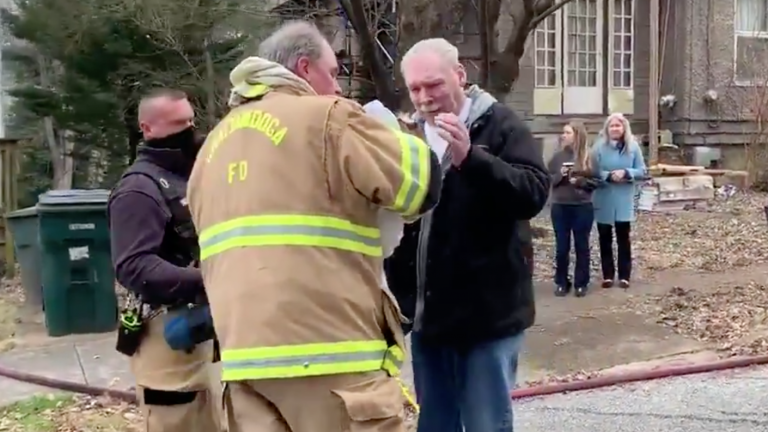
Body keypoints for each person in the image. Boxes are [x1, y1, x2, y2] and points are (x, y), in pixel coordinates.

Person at [186, 21, 442, 432]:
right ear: (304, 69)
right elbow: (421, 185)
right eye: (333, 73)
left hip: (244, 364)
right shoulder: (329, 118)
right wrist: (396, 128)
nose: (338, 88)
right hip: (334, 359)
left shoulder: (212, 147)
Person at [384, 38, 550, 432]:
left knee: (484, 424)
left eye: (434, 85)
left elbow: (533, 193)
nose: (425, 97)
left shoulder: (501, 124)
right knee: (436, 424)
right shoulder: (407, 138)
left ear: (459, 76)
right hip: (429, 320)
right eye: (415, 89)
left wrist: (471, 159)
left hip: (487, 319)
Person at [108, 89, 222, 432]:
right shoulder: (138, 190)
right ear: (148, 128)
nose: (188, 130)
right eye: (177, 124)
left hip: (199, 331)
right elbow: (134, 265)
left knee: (210, 418)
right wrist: (209, 279)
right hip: (166, 336)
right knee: (178, 420)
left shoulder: (188, 178)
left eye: (190, 120)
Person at [591, 112, 647, 289]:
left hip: (624, 198)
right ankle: (608, 275)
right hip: (604, 197)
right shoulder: (599, 147)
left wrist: (626, 172)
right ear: (607, 129)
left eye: (618, 125)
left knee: (624, 238)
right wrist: (608, 176)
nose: (615, 129)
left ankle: (624, 276)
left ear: (624, 128)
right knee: (604, 237)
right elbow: (593, 171)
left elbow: (642, 170)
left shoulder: (633, 147)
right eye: (612, 126)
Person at [547, 121, 602, 297]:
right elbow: (548, 180)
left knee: (582, 246)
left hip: (582, 207)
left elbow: (598, 181)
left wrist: (580, 182)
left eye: (568, 133)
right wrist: (560, 175)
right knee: (562, 247)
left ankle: (581, 283)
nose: (564, 136)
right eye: (563, 132)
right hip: (560, 207)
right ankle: (562, 282)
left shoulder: (589, 157)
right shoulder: (556, 158)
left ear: (577, 135)